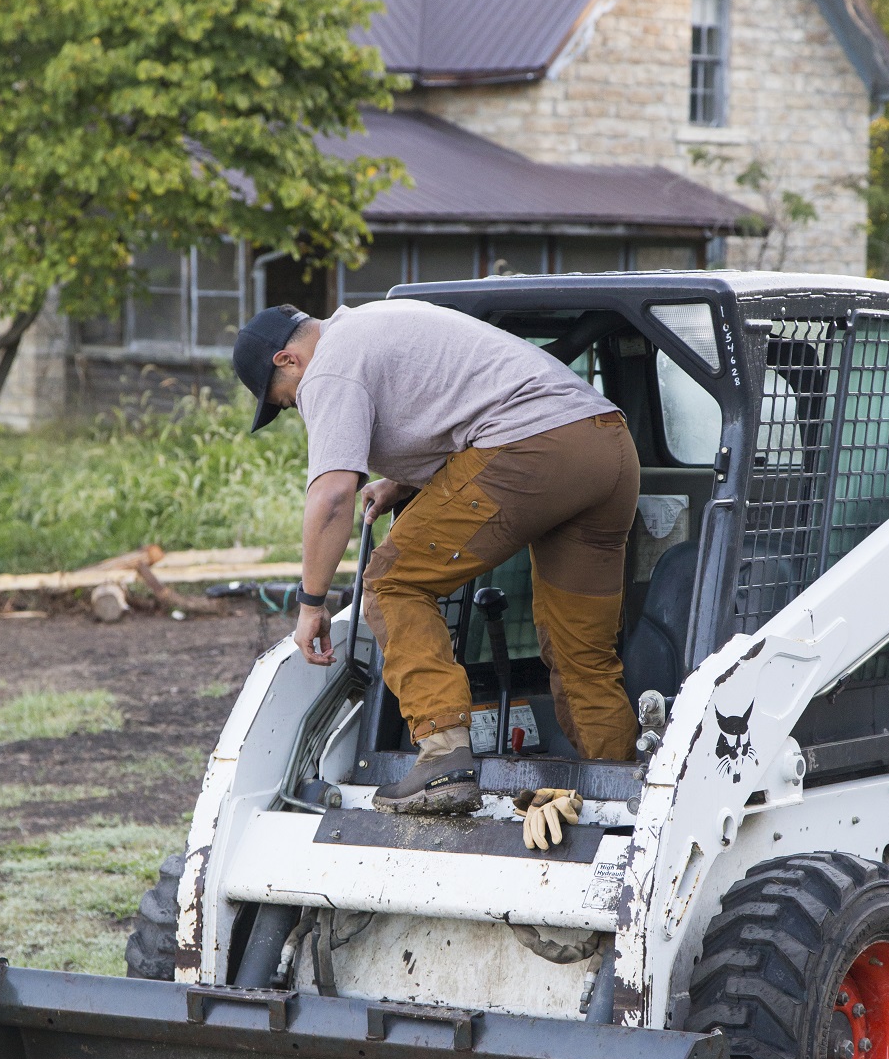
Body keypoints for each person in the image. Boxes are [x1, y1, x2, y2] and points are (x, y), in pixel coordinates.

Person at [232, 298, 639, 817]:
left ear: (286, 361)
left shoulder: (328, 364)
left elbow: (333, 494)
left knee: (393, 583)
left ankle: (444, 757)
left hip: (535, 450)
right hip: (606, 447)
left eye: (285, 402)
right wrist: (401, 482)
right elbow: (465, 399)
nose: (295, 406)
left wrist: (311, 604)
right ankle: (623, 799)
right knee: (582, 652)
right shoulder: (378, 323)